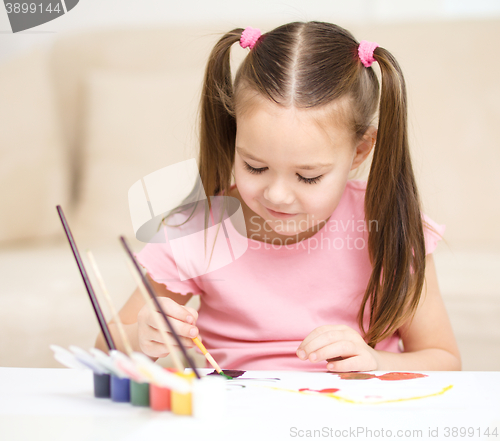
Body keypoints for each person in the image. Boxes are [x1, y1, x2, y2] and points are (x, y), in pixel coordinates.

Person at [96, 21, 461, 372]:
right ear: (234, 134)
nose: (277, 195)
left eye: (308, 176)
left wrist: (379, 363)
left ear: (361, 150)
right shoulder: (199, 230)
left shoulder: (389, 228)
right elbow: (105, 346)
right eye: (255, 167)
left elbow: (443, 359)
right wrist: (143, 338)